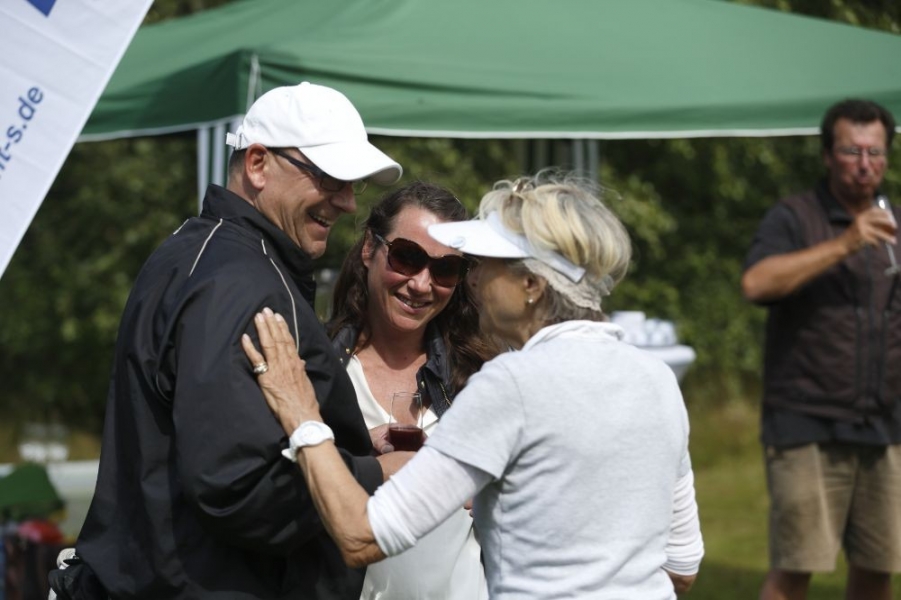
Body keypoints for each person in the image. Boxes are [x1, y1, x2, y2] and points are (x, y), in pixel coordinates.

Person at [242, 174, 705, 599]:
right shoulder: (656, 378)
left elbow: (360, 536)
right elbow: (681, 566)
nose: (475, 279)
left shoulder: (511, 384)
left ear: (531, 284)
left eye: (487, 264)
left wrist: (301, 413)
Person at [67, 82, 409, 599]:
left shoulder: (199, 251)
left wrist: (346, 447)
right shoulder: (241, 283)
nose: (345, 202)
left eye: (352, 184)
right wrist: (375, 473)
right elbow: (239, 489)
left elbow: (222, 446)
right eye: (329, 178)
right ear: (257, 164)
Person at [742, 98, 900, 600]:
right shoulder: (794, 217)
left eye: (875, 152)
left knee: (879, 570)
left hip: (886, 424)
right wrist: (846, 243)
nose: (864, 164)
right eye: (852, 151)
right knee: (796, 568)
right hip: (806, 421)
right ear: (828, 155)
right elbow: (756, 283)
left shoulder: (895, 221)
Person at [327, 181, 496, 599]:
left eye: (445, 269)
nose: (421, 284)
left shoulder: (483, 379)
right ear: (370, 249)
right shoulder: (320, 369)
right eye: (407, 257)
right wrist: (357, 462)